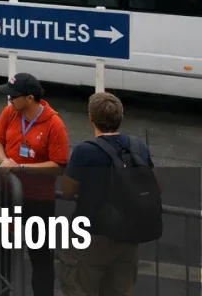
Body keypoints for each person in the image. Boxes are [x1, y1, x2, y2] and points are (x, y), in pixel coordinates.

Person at [58, 92, 158, 296]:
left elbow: (68, 190)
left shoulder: (85, 151)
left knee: (79, 287)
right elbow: (157, 185)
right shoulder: (138, 147)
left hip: (92, 237)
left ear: (91, 118)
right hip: (130, 237)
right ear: (120, 118)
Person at [0, 73, 68, 296]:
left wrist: (22, 168)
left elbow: (58, 166)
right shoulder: (10, 112)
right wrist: (4, 160)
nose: (9, 100)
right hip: (8, 195)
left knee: (41, 257)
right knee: (3, 251)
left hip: (39, 201)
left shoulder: (55, 125)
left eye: (13, 96)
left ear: (30, 98)